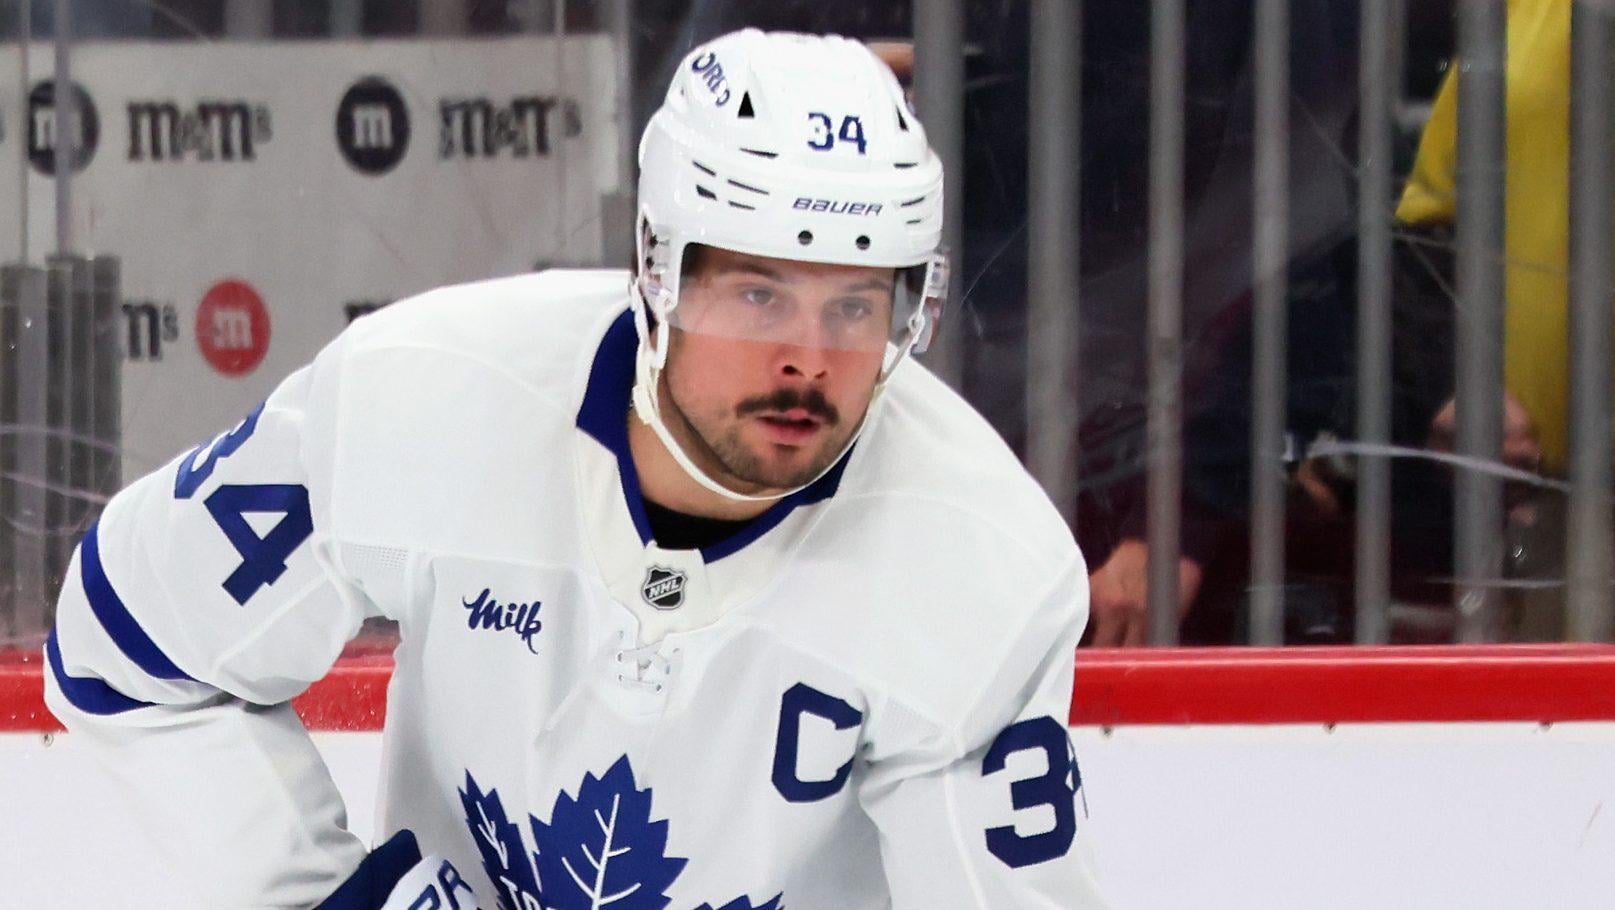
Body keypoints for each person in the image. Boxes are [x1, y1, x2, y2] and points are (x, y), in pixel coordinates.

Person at [43, 30, 1107, 909]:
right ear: (656, 267)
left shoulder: (978, 564)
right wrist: (335, 898)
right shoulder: (427, 398)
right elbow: (126, 643)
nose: (808, 358)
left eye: (855, 306)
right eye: (758, 294)